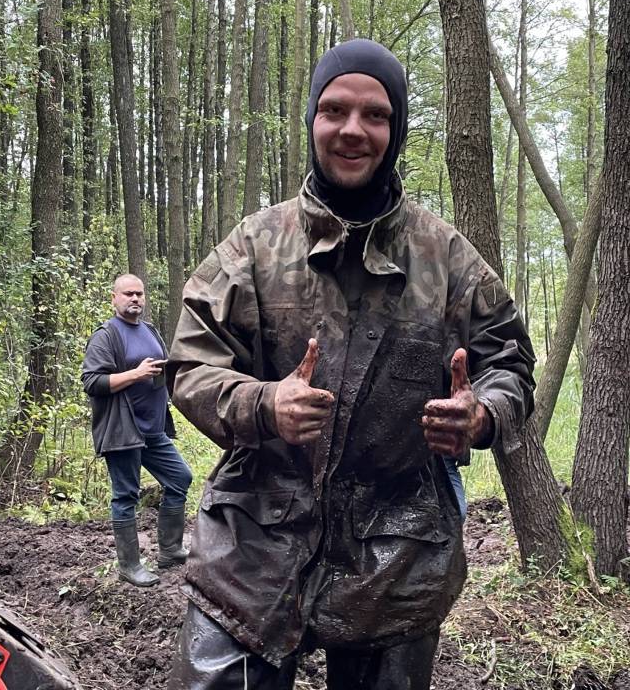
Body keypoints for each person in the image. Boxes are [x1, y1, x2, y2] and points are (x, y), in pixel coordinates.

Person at [164, 39, 535, 689]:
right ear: (312, 119)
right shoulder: (254, 247)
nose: (353, 130)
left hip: (397, 556)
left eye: (375, 115)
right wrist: (263, 403)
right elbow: (191, 365)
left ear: (397, 130)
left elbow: (510, 364)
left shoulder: (445, 257)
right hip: (250, 547)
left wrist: (481, 413)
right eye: (334, 110)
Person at [81, 274, 193, 587]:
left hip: (153, 430)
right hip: (123, 430)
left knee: (180, 478)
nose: (135, 299)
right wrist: (136, 374)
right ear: (114, 298)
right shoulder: (106, 336)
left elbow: (158, 372)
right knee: (125, 496)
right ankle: (129, 566)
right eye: (128, 293)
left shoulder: (150, 331)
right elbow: (92, 382)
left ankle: (170, 550)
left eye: (139, 294)